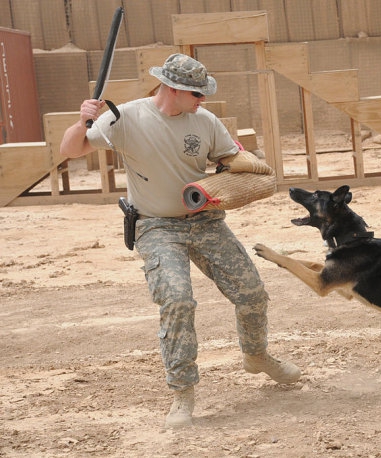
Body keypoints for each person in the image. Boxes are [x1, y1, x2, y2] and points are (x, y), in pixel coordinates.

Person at [60, 53, 301, 428]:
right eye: (196, 94)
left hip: (204, 220)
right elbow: (71, 150)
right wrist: (82, 121)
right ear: (172, 89)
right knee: (177, 301)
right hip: (156, 227)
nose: (202, 100)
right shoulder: (126, 118)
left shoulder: (205, 121)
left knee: (252, 292)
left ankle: (256, 356)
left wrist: (242, 166)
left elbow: (230, 158)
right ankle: (182, 394)